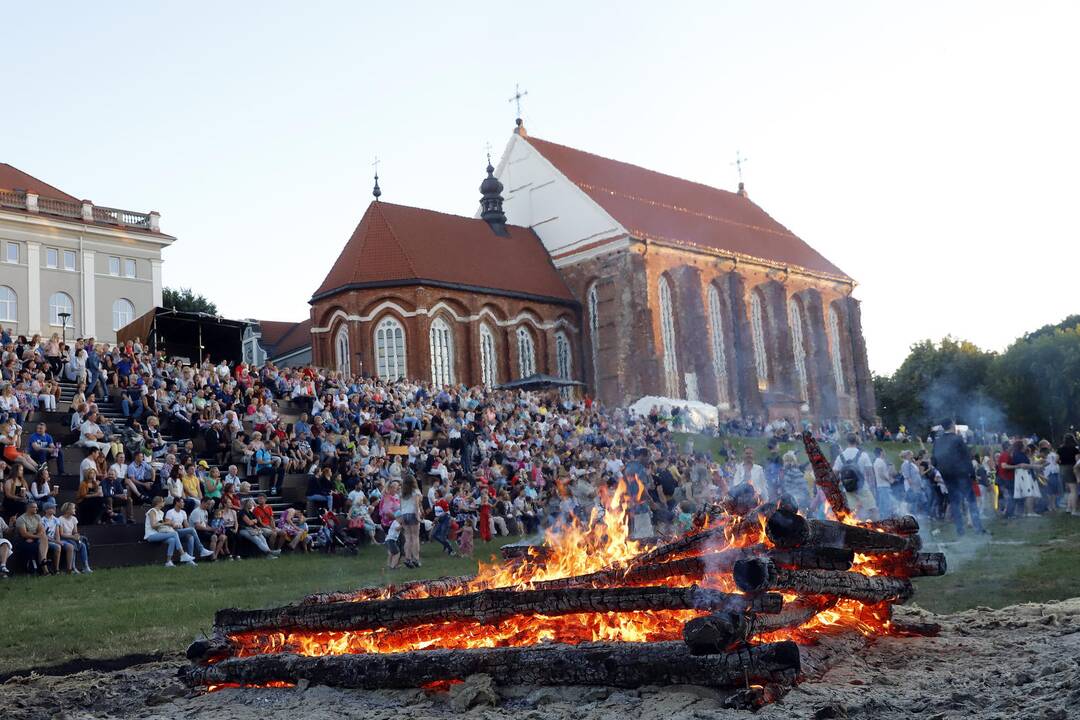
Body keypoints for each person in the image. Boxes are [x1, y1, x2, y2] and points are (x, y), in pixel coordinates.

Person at [931, 420, 985, 535]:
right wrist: (972, 474)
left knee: (955, 502)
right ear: (952, 426)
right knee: (971, 501)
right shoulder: (957, 439)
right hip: (961, 474)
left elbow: (934, 460)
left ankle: (960, 530)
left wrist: (941, 470)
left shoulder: (938, 441)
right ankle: (978, 528)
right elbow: (966, 457)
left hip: (947, 475)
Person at [832, 433, 878, 520]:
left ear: (847, 441)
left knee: (853, 514)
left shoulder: (840, 456)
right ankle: (877, 528)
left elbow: (834, 475)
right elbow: (870, 474)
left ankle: (856, 531)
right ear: (857, 441)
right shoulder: (863, 455)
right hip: (863, 488)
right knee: (873, 510)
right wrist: (872, 489)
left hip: (848, 489)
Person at [144, 495, 192, 567]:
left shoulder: (161, 512)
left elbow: (160, 526)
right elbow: (153, 525)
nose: (164, 502)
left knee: (172, 540)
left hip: (158, 533)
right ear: (158, 503)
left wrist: (172, 525)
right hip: (151, 535)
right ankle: (182, 554)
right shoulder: (152, 511)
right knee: (174, 533)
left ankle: (168, 562)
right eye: (163, 501)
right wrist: (166, 523)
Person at [164, 497, 215, 562]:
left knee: (191, 537)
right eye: (182, 502)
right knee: (192, 530)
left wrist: (187, 529)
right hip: (172, 531)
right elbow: (168, 524)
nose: (184, 504)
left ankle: (190, 560)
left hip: (180, 532)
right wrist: (175, 525)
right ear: (177, 502)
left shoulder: (183, 512)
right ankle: (201, 549)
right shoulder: (170, 512)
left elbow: (186, 525)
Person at [1004, 440, 1042, 518]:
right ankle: (1030, 512)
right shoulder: (1017, 454)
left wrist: (1036, 463)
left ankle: (1027, 512)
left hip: (1024, 474)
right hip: (1024, 474)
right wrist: (1035, 466)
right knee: (1029, 493)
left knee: (1029, 493)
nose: (1026, 446)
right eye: (1024, 445)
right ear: (1020, 446)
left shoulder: (1019, 454)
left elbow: (1026, 464)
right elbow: (1023, 465)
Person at [14, 502, 49, 574]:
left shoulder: (37, 516)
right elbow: (24, 534)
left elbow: (41, 530)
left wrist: (34, 538)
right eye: (35, 507)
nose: (37, 509)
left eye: (36, 507)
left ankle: (43, 560)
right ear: (28, 508)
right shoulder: (21, 519)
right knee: (39, 541)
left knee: (44, 537)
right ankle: (45, 569)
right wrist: (36, 536)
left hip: (33, 538)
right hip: (22, 540)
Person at [57, 502, 91, 573]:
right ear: (67, 510)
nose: (75, 510)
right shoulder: (60, 519)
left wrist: (76, 535)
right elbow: (61, 534)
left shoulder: (74, 519)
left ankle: (86, 567)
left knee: (83, 545)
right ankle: (73, 568)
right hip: (64, 539)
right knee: (73, 546)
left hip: (71, 538)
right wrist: (73, 537)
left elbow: (75, 531)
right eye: (73, 508)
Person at [399, 474, 422, 567]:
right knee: (415, 537)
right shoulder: (415, 491)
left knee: (407, 538)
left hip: (404, 515)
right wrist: (418, 516)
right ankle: (416, 559)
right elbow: (416, 505)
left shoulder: (402, 493)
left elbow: (401, 506)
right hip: (413, 514)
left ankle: (407, 559)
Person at [1057, 434, 1078, 516]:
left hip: (1062, 469)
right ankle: (1074, 510)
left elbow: (1056, 460)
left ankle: (1068, 508)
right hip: (1071, 469)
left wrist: (1062, 463)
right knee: (1074, 491)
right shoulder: (1074, 449)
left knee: (1069, 490)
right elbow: (1077, 461)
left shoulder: (1060, 449)